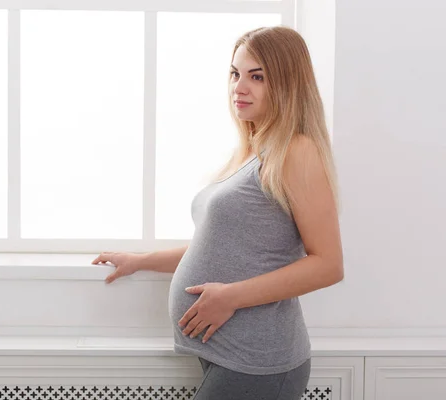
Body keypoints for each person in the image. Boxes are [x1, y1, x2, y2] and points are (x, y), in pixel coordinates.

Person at [92, 26, 343, 400]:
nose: (239, 88)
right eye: (235, 73)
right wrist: (141, 261)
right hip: (231, 354)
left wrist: (231, 297)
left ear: (288, 84)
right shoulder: (255, 151)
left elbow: (328, 264)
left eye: (257, 76)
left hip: (260, 360)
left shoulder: (297, 151)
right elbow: (221, 244)